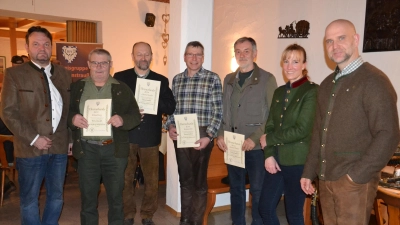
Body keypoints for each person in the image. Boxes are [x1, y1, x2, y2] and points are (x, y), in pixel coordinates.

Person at [300, 19, 399, 225]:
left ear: (355, 39)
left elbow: (388, 134)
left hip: (354, 183)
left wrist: (355, 176)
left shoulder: (374, 81)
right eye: (329, 41)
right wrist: (309, 172)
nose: (335, 46)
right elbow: (318, 132)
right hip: (325, 180)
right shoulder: (327, 84)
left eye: (341, 38)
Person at [0, 26, 71, 225]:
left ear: (52, 47)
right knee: (29, 200)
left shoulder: (64, 74)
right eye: (36, 44)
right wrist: (34, 138)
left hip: (59, 148)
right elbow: (7, 112)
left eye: (46, 44)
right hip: (29, 150)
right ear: (27, 47)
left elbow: (68, 111)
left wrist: (70, 139)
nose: (42, 48)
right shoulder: (14, 74)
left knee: (57, 197)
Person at [68, 48, 141, 225]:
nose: (99, 66)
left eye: (104, 63)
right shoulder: (78, 87)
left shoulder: (121, 88)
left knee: (116, 197)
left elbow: (136, 115)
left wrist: (122, 119)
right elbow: (67, 112)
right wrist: (73, 118)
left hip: (113, 150)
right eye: (95, 62)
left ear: (110, 65)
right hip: (87, 150)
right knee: (88, 197)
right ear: (88, 65)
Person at [216, 37, 277, 225]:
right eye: (238, 51)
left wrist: (255, 138)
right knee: (236, 189)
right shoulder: (228, 79)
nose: (242, 55)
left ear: (255, 53)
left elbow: (272, 115)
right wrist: (219, 134)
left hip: (256, 148)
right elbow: (222, 110)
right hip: (233, 146)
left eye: (246, 51)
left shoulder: (267, 79)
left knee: (258, 190)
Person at [114, 42, 176, 225]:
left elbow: (170, 106)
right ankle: (128, 214)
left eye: (146, 54)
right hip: (127, 135)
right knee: (126, 178)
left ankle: (148, 214)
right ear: (132, 56)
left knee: (151, 179)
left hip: (150, 137)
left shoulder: (161, 80)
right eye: (139, 54)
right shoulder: (120, 77)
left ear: (151, 56)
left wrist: (152, 102)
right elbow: (114, 104)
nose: (143, 58)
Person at [258, 44, 318, 225]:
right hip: (276, 160)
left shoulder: (312, 91)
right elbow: (270, 126)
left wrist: (269, 140)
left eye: (295, 61)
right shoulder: (278, 92)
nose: (290, 66)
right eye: (286, 61)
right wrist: (268, 155)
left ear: (304, 65)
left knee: (294, 215)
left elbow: (302, 130)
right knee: (265, 208)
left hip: (298, 162)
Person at [166, 41, 223, 225]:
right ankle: (185, 219)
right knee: (185, 180)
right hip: (181, 136)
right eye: (191, 54)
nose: (194, 58)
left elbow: (218, 111)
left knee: (199, 182)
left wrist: (209, 136)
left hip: (202, 135)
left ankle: (197, 221)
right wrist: (170, 126)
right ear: (185, 57)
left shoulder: (212, 78)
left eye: (198, 55)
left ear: (203, 57)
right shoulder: (177, 80)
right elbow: (172, 109)